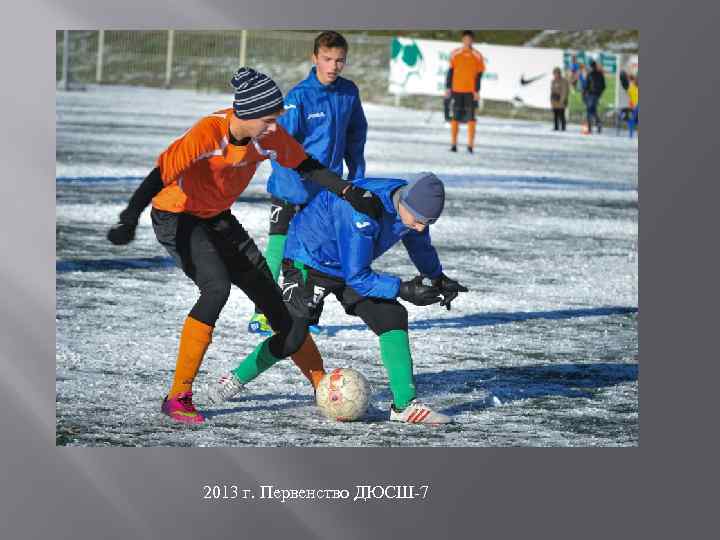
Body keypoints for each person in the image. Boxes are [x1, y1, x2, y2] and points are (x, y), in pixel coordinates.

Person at [105, 67, 384, 425]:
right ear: (246, 114)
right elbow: (160, 174)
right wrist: (129, 218)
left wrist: (349, 191)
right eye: (268, 120)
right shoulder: (208, 133)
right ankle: (178, 397)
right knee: (216, 287)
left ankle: (321, 384)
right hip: (176, 216)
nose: (274, 127)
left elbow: (307, 165)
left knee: (279, 311)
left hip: (217, 217)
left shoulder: (268, 135)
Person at [209, 173, 469, 425]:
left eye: (428, 222)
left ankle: (404, 406)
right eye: (419, 219)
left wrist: (437, 277)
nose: (421, 226)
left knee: (392, 316)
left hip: (350, 263)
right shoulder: (362, 212)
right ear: (405, 202)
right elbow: (358, 278)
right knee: (292, 336)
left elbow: (419, 245)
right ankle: (235, 379)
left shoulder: (410, 204)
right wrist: (403, 289)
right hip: (309, 260)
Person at [248, 31, 368, 336]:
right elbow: (278, 143)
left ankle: (302, 315)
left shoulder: (348, 93)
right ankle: (260, 313)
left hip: (327, 189)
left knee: (312, 253)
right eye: (327, 59)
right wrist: (293, 185)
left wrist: (356, 171)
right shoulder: (299, 97)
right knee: (278, 251)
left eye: (339, 60)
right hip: (293, 188)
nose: (333, 66)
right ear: (315, 58)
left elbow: (356, 134)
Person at [445, 30, 485, 153]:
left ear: (472, 40)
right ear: (462, 40)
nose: (467, 41)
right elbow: (450, 72)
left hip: (470, 91)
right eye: (465, 39)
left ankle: (470, 145)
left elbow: (479, 75)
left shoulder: (477, 55)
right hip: (457, 90)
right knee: (455, 116)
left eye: (469, 39)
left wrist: (477, 91)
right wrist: (448, 88)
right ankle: (453, 144)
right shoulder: (455, 54)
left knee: (471, 118)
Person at [584, 60, 606, 134]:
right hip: (594, 95)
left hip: (592, 95)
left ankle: (592, 126)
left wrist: (585, 92)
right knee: (592, 110)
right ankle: (596, 124)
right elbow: (603, 86)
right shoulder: (598, 74)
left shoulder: (591, 74)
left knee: (590, 110)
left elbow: (586, 86)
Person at [550, 67, 570, 131]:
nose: (555, 75)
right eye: (554, 73)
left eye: (556, 73)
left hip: (561, 100)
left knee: (561, 115)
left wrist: (562, 100)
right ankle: (556, 127)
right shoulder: (553, 81)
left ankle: (563, 127)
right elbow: (552, 91)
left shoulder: (563, 81)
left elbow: (565, 91)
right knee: (555, 115)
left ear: (559, 73)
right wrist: (551, 100)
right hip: (554, 100)